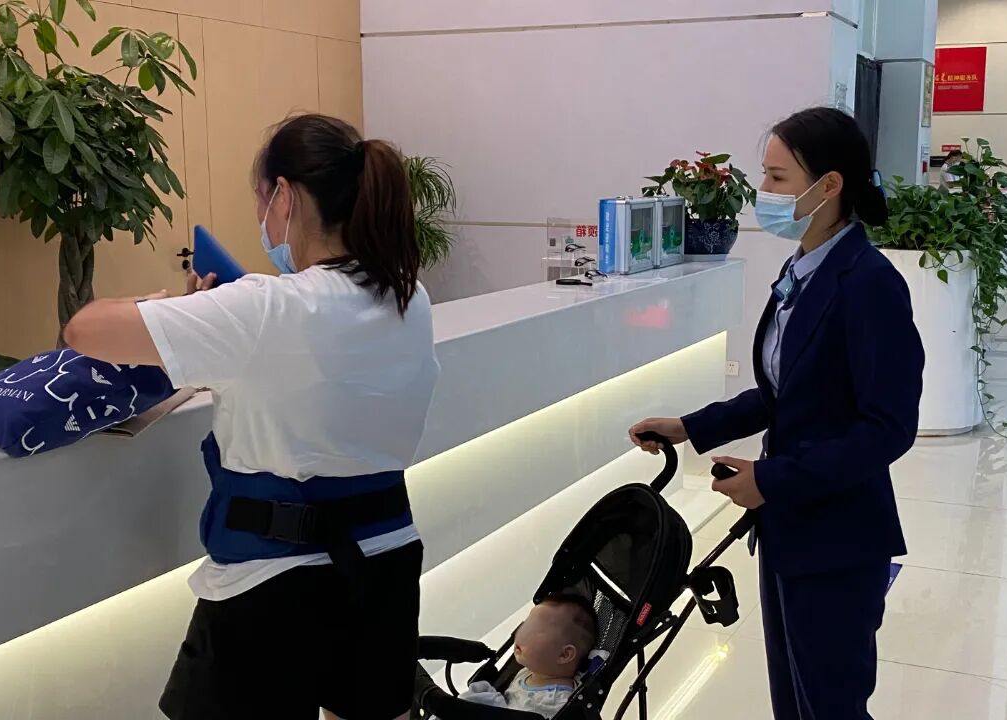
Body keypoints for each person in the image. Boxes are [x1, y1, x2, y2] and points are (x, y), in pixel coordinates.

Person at [63, 113, 440, 720]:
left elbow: (85, 329)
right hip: (386, 562)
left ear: (285, 196)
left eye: (262, 201)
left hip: (271, 583)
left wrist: (176, 308)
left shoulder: (265, 308)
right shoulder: (408, 297)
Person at [629, 107, 924, 720]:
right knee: (793, 700)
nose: (762, 192)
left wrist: (772, 479)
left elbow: (888, 428)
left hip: (838, 536)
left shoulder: (869, 283)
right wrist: (690, 427)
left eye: (778, 178)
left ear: (830, 185)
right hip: (790, 526)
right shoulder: (803, 269)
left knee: (830, 706)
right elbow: (783, 393)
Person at [447, 595, 598, 719]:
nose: (522, 633)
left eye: (535, 630)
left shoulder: (557, 702)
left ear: (564, 655)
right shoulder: (529, 672)